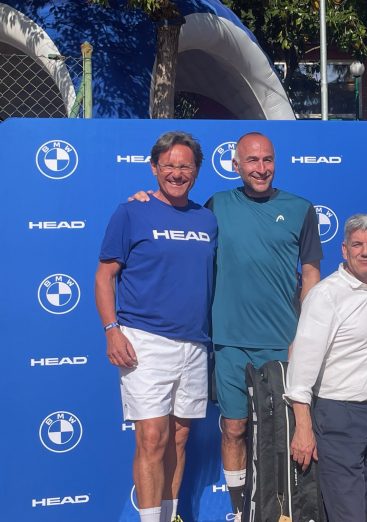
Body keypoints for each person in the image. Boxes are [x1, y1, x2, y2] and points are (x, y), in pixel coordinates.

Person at [130, 131, 324, 521]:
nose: (261, 168)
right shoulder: (216, 206)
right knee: (234, 429)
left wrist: (304, 337)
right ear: (236, 165)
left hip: (282, 343)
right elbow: (177, 221)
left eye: (267, 160)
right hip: (229, 343)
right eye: (251, 160)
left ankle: (284, 510)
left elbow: (311, 276)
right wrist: (146, 201)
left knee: (282, 433)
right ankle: (240, 511)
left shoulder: (301, 209)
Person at [95, 131, 217, 522]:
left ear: (196, 171)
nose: (177, 173)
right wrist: (111, 329)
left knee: (180, 437)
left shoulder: (207, 219)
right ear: (154, 168)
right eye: (169, 166)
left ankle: (169, 515)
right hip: (144, 340)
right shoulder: (132, 212)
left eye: (185, 166)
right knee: (151, 437)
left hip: (195, 344)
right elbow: (104, 276)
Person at [285, 214, 367, 522]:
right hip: (340, 418)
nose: (365, 252)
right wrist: (303, 427)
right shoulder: (326, 295)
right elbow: (301, 368)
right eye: (357, 245)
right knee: (348, 516)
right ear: (344, 250)